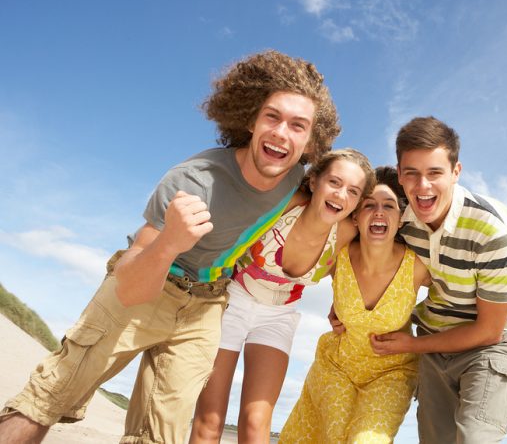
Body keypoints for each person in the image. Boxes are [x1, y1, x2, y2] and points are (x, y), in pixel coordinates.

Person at [0, 50, 341, 444]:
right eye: (273, 117)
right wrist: (169, 243)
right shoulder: (194, 180)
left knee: (160, 437)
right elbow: (129, 288)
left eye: (298, 126)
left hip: (207, 306)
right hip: (146, 284)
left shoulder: (297, 180)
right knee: (47, 399)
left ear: (311, 141)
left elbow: (350, 205)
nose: (283, 133)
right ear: (251, 119)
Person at [189, 148, 375, 443]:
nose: (341, 195)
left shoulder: (349, 233)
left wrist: (341, 306)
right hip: (230, 301)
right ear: (314, 181)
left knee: (256, 421)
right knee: (210, 419)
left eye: (353, 191)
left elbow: (363, 268)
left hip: (278, 316)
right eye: (335, 183)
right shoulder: (285, 203)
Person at [369, 116, 507, 443]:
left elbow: (488, 330)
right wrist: (347, 309)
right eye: (411, 173)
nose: (422, 186)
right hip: (434, 337)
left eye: (435, 173)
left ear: (456, 172)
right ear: (400, 174)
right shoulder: (399, 221)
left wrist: (412, 345)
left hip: (490, 346)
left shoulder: (497, 232)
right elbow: (368, 261)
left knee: (474, 439)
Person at [279, 166, 432, 444]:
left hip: (392, 372)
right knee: (332, 437)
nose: (378, 212)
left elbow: (462, 289)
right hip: (337, 366)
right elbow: (293, 252)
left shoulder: (418, 267)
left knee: (366, 441)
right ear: (356, 218)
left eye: (389, 206)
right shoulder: (339, 254)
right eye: (368, 205)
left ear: (400, 221)